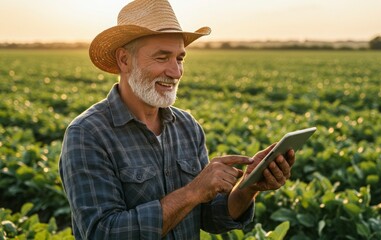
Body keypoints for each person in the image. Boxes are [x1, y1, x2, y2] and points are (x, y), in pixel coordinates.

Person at [59, 0, 295, 239]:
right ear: (124, 60)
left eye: (180, 58)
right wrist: (193, 191)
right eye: (162, 58)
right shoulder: (87, 133)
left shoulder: (187, 126)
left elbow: (208, 217)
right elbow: (103, 232)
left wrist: (248, 187)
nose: (176, 72)